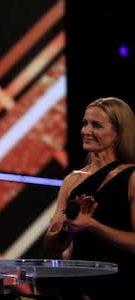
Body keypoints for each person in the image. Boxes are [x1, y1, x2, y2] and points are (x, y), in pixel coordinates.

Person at [43, 97, 135, 299]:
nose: (86, 131)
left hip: (120, 287)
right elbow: (51, 247)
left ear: (118, 133)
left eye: (96, 125)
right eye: (85, 123)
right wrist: (68, 228)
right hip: (76, 289)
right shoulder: (72, 180)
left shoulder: (132, 178)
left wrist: (92, 225)